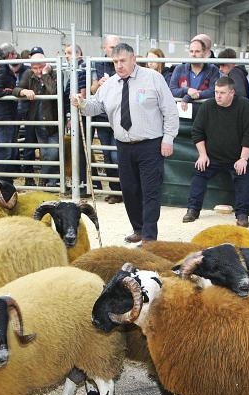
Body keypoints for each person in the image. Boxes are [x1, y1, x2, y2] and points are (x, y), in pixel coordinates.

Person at [73, 43, 179, 243]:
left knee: (150, 191)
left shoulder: (153, 78)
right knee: (129, 190)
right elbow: (96, 107)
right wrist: (82, 103)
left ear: (133, 59)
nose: (119, 65)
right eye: (115, 61)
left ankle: (149, 236)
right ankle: (138, 229)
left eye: (122, 61)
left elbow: (170, 110)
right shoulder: (110, 84)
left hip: (150, 144)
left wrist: (168, 138)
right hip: (123, 145)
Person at [183, 76, 249, 227]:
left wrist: (243, 159)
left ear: (232, 92)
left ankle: (242, 214)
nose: (218, 96)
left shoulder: (244, 106)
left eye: (222, 93)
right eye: (216, 92)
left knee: (243, 175)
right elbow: (197, 132)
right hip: (211, 157)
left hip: (237, 157)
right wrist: (202, 155)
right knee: (199, 172)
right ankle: (193, 209)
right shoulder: (207, 106)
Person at [18, 53, 60, 188]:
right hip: (37, 120)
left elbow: (54, 91)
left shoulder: (54, 73)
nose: (38, 71)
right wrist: (23, 91)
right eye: (34, 68)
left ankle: (45, 178)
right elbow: (16, 89)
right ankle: (50, 182)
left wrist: (46, 74)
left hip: (53, 119)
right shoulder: (28, 74)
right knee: (45, 152)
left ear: (46, 65)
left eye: (40, 67)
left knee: (53, 152)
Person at [90, 35, 121, 200]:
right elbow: (92, 90)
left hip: (119, 116)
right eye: (112, 47)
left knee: (117, 155)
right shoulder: (97, 63)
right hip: (102, 116)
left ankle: (124, 190)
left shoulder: (122, 63)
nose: (115, 50)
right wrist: (99, 84)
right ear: (104, 48)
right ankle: (114, 191)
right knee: (107, 155)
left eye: (117, 46)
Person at [0, 43, 23, 177]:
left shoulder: (1, 68)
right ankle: (0, 178)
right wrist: (9, 92)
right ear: (10, 55)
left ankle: (4, 177)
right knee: (5, 149)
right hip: (3, 115)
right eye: (14, 54)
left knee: (8, 147)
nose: (16, 56)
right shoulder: (2, 70)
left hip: (5, 114)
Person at [170, 38, 219, 114]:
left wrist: (189, 96)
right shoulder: (179, 69)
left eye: (197, 51)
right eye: (191, 51)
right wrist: (187, 90)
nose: (193, 54)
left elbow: (213, 91)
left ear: (204, 53)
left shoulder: (213, 69)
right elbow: (172, 90)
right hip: (183, 114)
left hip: (205, 113)